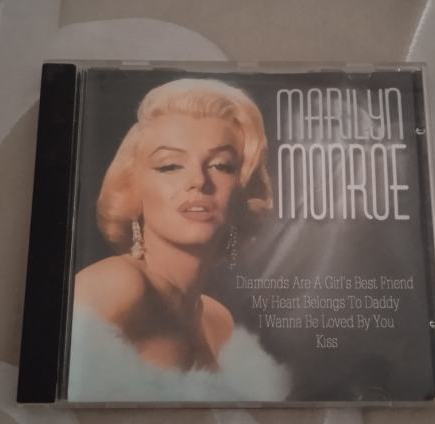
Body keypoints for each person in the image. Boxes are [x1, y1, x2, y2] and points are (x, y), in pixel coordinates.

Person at [68, 78, 287, 401]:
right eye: (170, 165)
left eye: (221, 165)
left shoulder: (218, 320)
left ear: (241, 190)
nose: (198, 180)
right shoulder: (117, 284)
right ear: (132, 188)